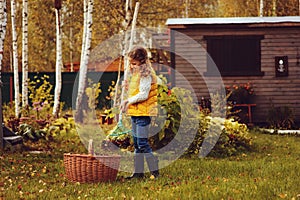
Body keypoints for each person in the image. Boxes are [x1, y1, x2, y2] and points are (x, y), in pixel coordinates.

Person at [120, 46, 159, 179]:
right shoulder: (137, 74)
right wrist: (127, 88)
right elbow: (136, 92)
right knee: (137, 144)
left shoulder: (146, 74)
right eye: (131, 63)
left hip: (143, 114)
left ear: (142, 62)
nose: (132, 66)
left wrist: (127, 101)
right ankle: (138, 173)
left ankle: (155, 170)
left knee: (142, 143)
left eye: (134, 63)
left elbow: (143, 95)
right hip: (136, 113)